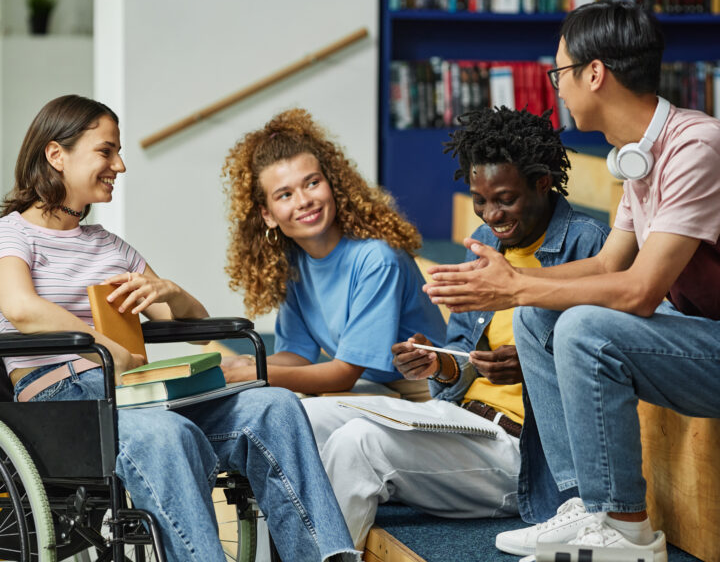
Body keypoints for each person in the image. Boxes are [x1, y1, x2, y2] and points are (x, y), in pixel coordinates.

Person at [0, 95, 359, 562]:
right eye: (106, 151)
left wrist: (169, 292)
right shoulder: (14, 233)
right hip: (61, 405)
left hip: (130, 394)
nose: (120, 165)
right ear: (56, 155)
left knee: (275, 405)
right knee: (167, 435)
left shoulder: (111, 246)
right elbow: (21, 308)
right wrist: (107, 348)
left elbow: (189, 324)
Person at [424, 1, 720, 562]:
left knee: (583, 326)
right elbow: (610, 263)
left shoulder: (695, 147)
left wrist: (514, 288)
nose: (555, 85)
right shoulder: (640, 155)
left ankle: (629, 530)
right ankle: (586, 505)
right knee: (542, 316)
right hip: (697, 334)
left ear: (594, 73)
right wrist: (515, 279)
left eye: (559, 72)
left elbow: (638, 291)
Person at [301, 106, 609, 549]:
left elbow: (607, 363)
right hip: (461, 419)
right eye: (479, 200)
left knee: (358, 443)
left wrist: (529, 366)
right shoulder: (484, 244)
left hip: (521, 451)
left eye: (505, 198)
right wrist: (438, 363)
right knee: (303, 416)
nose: (490, 215)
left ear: (543, 183)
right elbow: (461, 353)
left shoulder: (590, 246)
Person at [220, 108, 446, 395]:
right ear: (268, 215)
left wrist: (255, 373)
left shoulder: (377, 259)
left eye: (312, 183)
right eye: (285, 195)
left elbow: (342, 375)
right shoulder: (293, 263)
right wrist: (243, 364)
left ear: (332, 185)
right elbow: (298, 356)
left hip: (425, 390)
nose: (304, 201)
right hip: (375, 384)